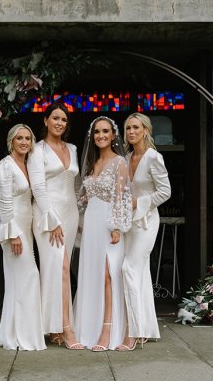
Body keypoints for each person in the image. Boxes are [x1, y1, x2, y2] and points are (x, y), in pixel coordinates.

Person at [27, 102, 83, 350]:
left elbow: (77, 185)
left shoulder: (72, 147)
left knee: (61, 269)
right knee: (56, 269)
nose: (60, 123)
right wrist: (52, 220)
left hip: (70, 213)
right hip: (47, 214)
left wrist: (81, 218)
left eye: (64, 120)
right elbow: (38, 188)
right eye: (56, 118)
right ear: (46, 120)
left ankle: (54, 326)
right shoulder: (37, 150)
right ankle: (65, 329)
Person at [74, 116, 132, 351]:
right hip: (91, 223)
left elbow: (122, 196)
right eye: (97, 132)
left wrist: (117, 227)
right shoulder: (92, 163)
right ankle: (88, 326)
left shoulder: (120, 162)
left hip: (109, 224)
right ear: (92, 136)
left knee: (109, 274)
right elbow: (83, 199)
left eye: (105, 131)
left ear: (113, 135)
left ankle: (107, 330)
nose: (101, 136)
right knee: (94, 274)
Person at [117, 112, 171, 351]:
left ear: (146, 130)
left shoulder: (153, 157)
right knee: (139, 273)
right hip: (129, 224)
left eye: (136, 128)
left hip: (147, 222)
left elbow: (165, 192)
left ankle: (134, 332)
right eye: (128, 128)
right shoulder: (126, 157)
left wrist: (139, 202)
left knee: (129, 268)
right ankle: (146, 329)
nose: (131, 132)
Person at [0, 124, 46, 351]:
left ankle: (13, 334)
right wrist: (13, 234)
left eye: (28, 138)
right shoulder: (5, 166)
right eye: (19, 138)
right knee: (29, 275)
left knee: (18, 281)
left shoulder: (26, 164)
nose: (24, 142)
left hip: (26, 225)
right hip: (12, 227)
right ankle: (23, 335)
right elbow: (4, 204)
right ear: (11, 141)